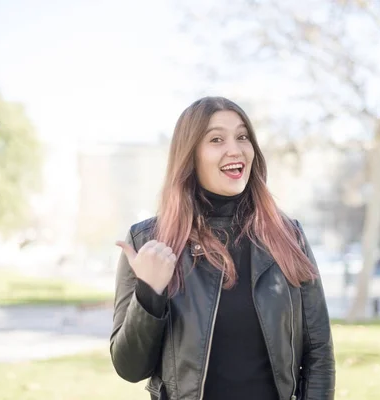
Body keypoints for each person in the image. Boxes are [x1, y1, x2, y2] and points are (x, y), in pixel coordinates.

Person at [110, 96, 335, 400]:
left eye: (242, 136)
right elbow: (129, 368)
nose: (235, 149)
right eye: (216, 139)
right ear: (190, 156)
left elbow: (319, 353)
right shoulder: (149, 242)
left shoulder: (287, 236)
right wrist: (149, 292)